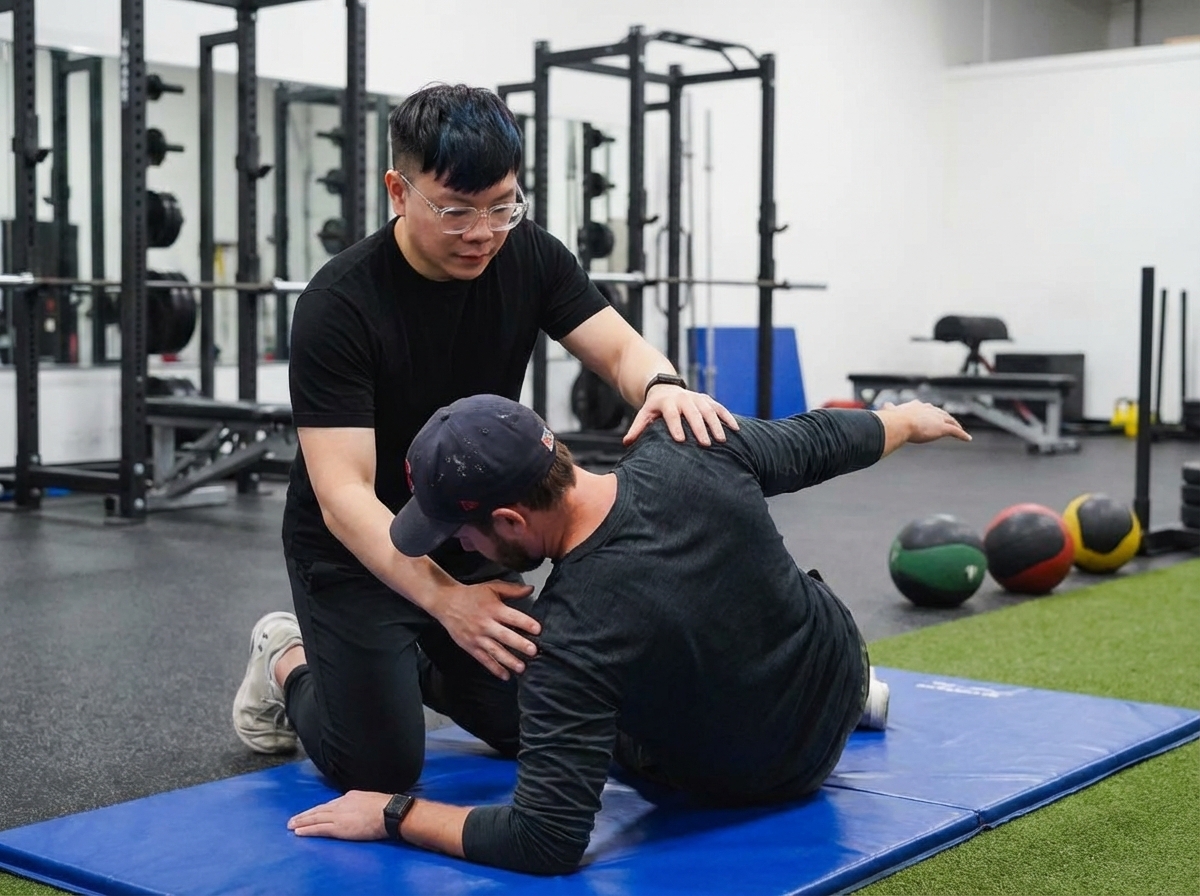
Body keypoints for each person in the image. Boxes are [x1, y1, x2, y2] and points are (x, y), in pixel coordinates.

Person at [230, 83, 736, 796]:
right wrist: (444, 604)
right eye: (456, 211)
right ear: (398, 192)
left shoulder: (531, 256)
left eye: (502, 206)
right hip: (357, 549)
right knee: (379, 770)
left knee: (551, 723)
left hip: (468, 535)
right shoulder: (339, 305)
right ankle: (287, 656)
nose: (483, 233)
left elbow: (622, 354)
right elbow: (342, 497)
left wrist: (663, 385)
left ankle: (411, 668)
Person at [283, 393, 972, 875]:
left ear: (512, 520)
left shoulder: (566, 637)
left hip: (755, 782)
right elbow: (821, 440)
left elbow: (544, 839)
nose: (457, 547)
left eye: (460, 532)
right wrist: (905, 419)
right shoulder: (692, 446)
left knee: (518, 673)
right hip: (839, 675)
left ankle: (284, 656)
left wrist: (393, 814)